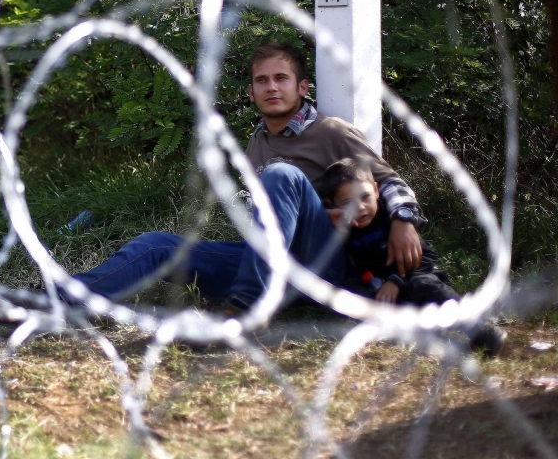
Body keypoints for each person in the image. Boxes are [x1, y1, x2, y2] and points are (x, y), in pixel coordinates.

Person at [62, 41, 426, 311]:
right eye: (262, 81)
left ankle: (247, 308)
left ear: (302, 87)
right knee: (156, 246)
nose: (271, 87)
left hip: (328, 269)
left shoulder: (332, 132)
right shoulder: (257, 142)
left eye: (281, 79)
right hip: (271, 267)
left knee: (282, 175)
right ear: (251, 93)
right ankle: (57, 298)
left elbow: (388, 182)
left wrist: (403, 221)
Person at [316, 157, 507, 356]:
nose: (360, 207)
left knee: (427, 286)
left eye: (365, 197)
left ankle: (480, 330)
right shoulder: (341, 229)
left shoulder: (391, 220)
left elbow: (427, 257)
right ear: (333, 205)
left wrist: (396, 281)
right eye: (348, 202)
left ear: (375, 190)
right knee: (351, 295)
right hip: (381, 290)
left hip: (413, 277)